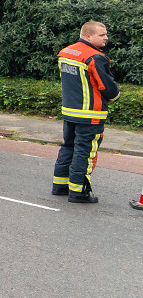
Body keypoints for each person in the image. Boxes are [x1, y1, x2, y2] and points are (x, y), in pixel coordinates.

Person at [53, 21, 118, 204]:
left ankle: (60, 186)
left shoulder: (65, 52)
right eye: (102, 35)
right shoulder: (95, 57)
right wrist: (114, 97)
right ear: (88, 36)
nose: (106, 37)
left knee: (68, 147)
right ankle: (79, 192)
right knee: (85, 152)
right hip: (90, 114)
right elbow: (108, 88)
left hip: (70, 111)